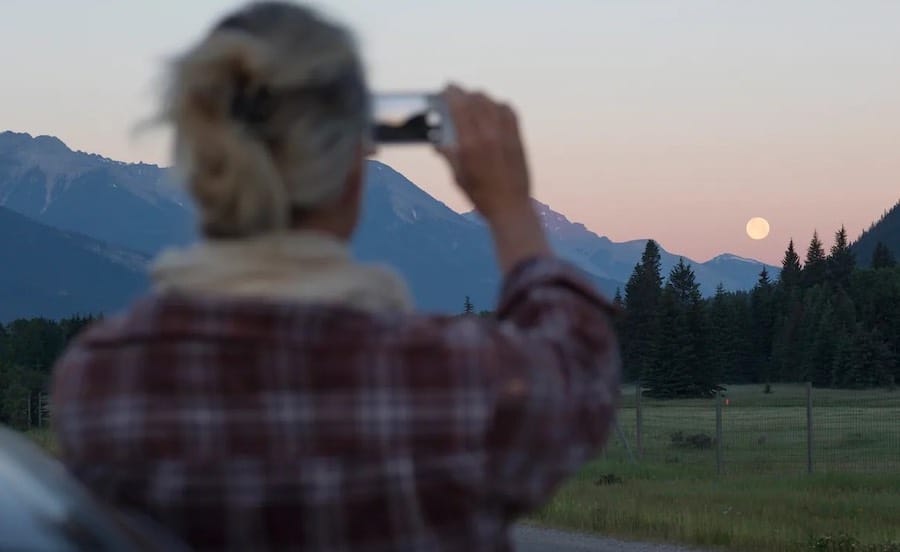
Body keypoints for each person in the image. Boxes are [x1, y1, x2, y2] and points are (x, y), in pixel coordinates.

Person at [51, 2, 621, 550]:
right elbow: (580, 372)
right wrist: (510, 206)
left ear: (201, 169)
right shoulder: (453, 381)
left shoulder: (98, 382)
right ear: (353, 169)